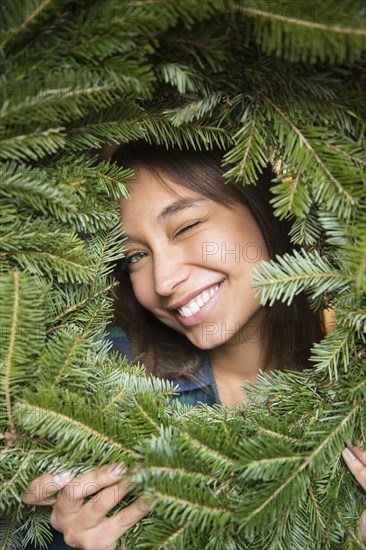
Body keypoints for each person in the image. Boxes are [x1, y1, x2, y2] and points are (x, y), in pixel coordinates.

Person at [23, 141, 366, 549]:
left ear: (267, 208)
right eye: (135, 256)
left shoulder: (352, 391)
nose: (163, 280)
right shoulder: (94, 376)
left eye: (185, 227)